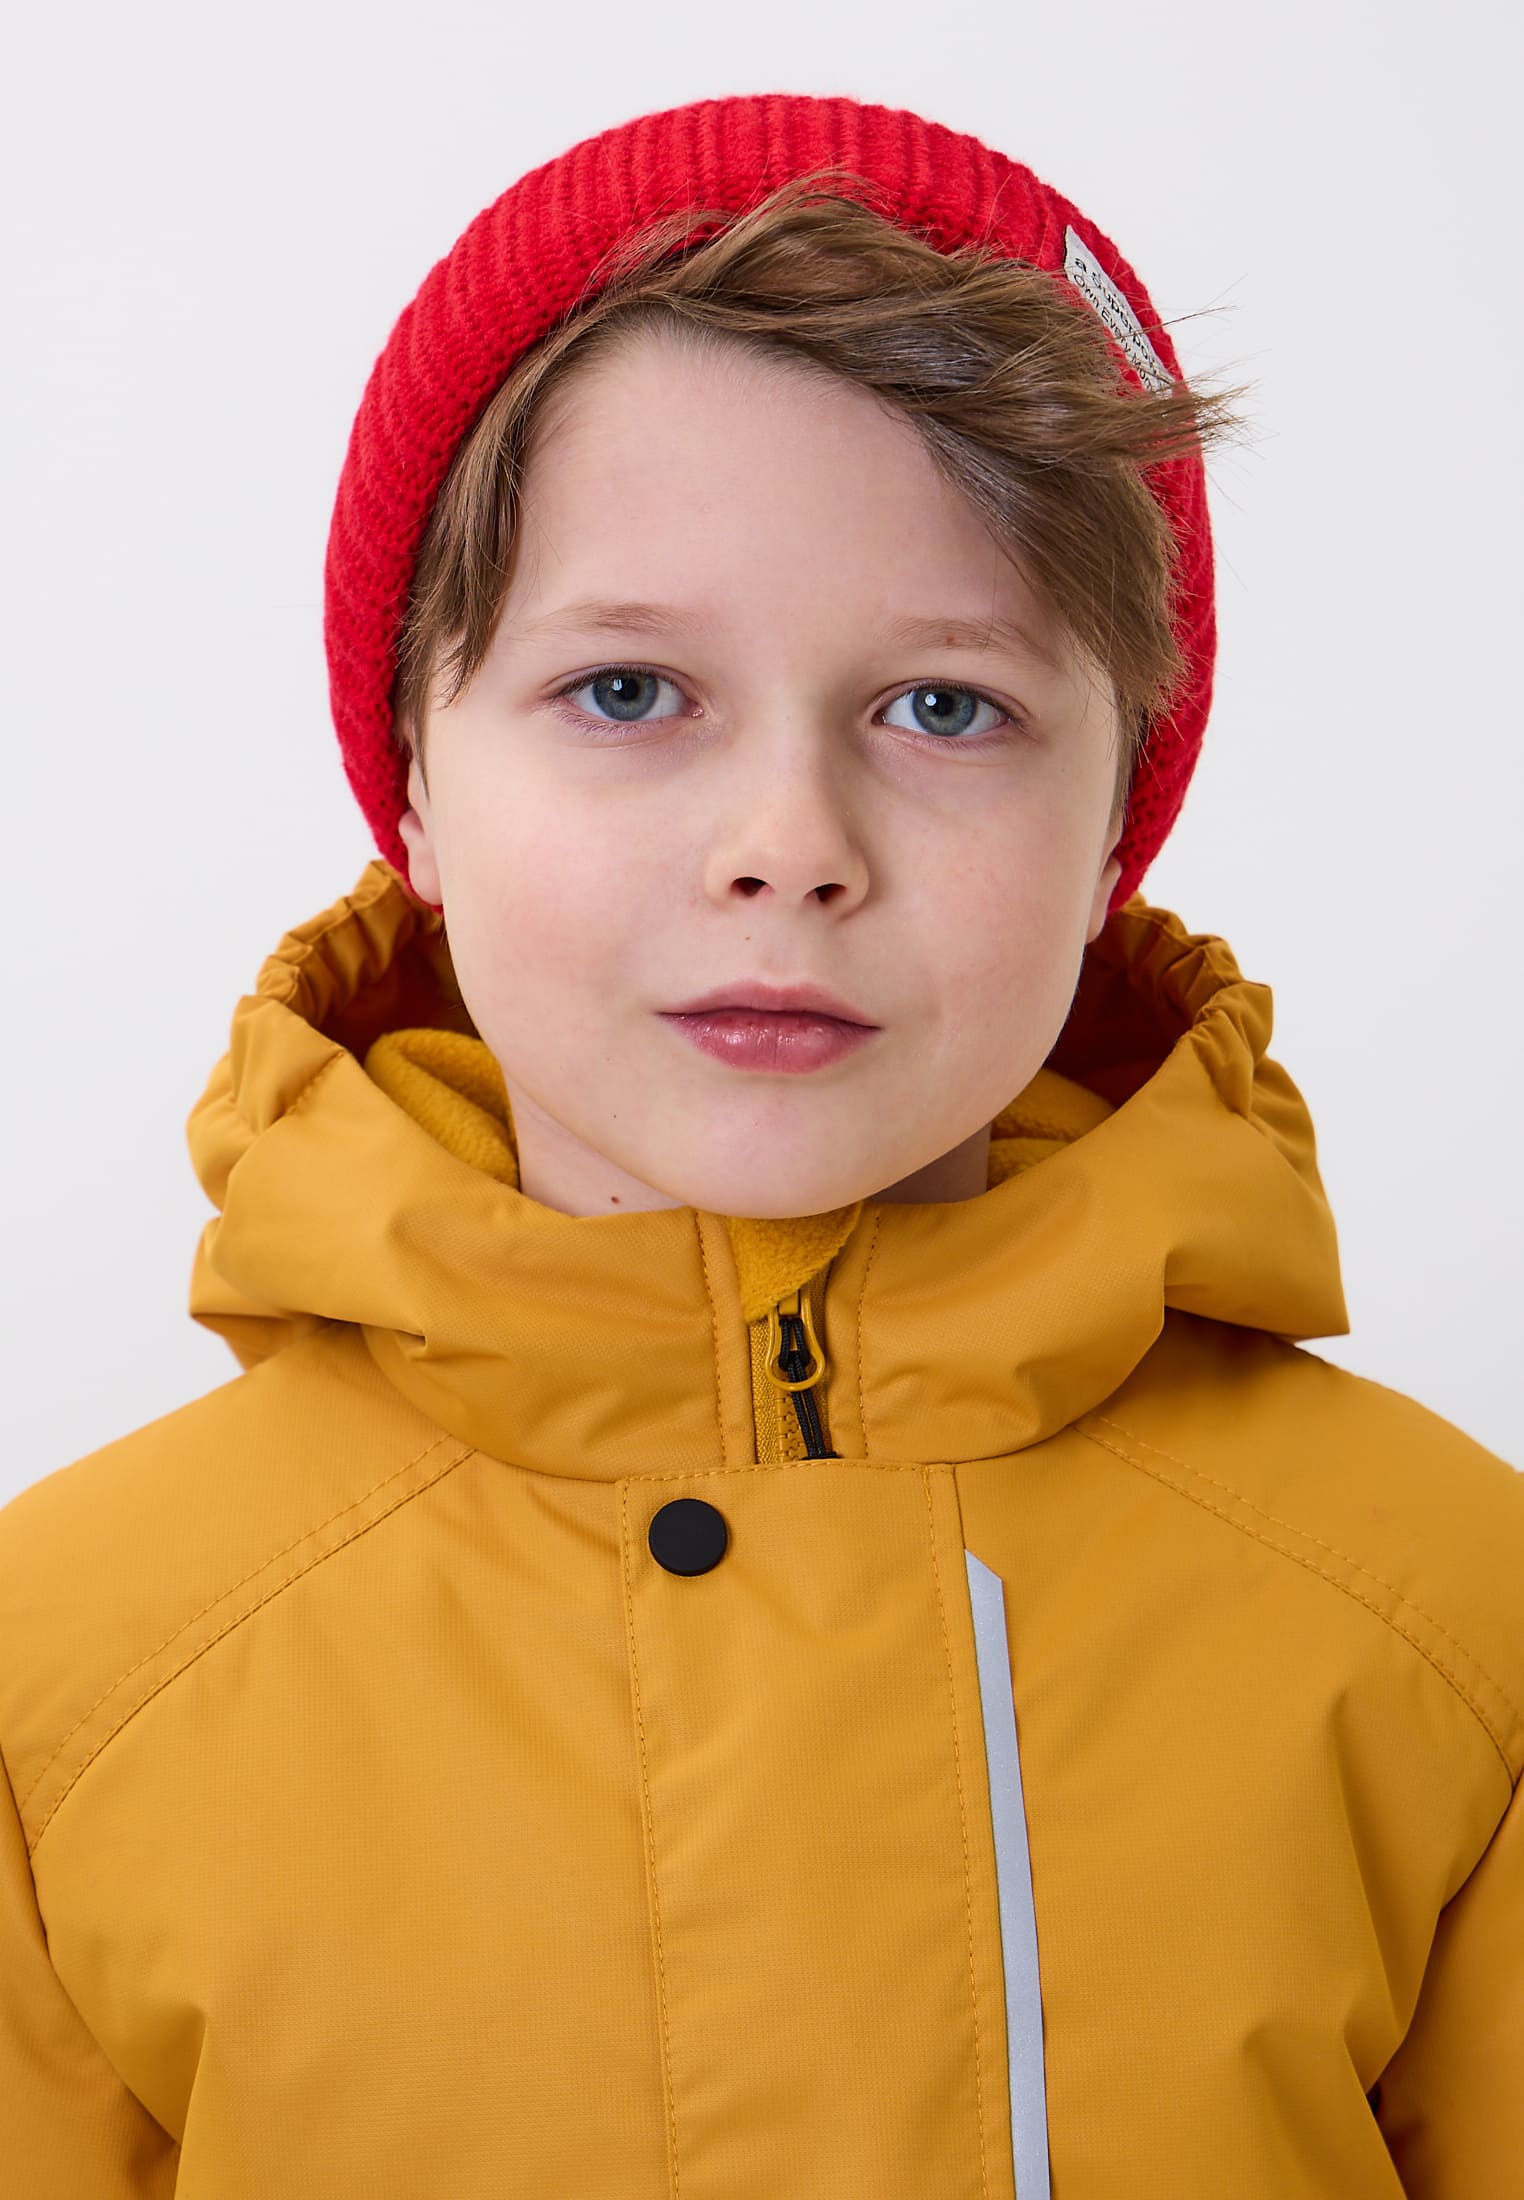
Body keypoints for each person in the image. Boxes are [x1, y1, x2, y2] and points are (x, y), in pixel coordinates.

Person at [1, 88, 1517, 2200]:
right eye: (631, 692)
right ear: (415, 781)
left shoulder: (1455, 1625)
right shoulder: (70, 1672)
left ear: (1114, 831)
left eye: (945, 707)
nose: (788, 845)